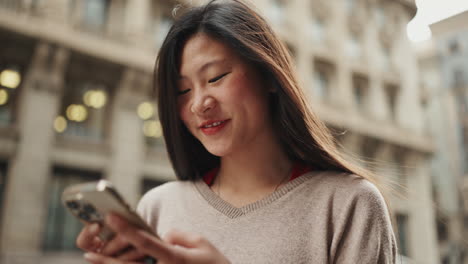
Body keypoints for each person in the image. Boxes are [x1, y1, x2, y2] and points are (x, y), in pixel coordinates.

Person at [77, 0, 397, 263]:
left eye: (216, 77)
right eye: (182, 91)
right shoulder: (159, 207)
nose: (199, 104)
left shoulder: (348, 204)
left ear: (270, 77)